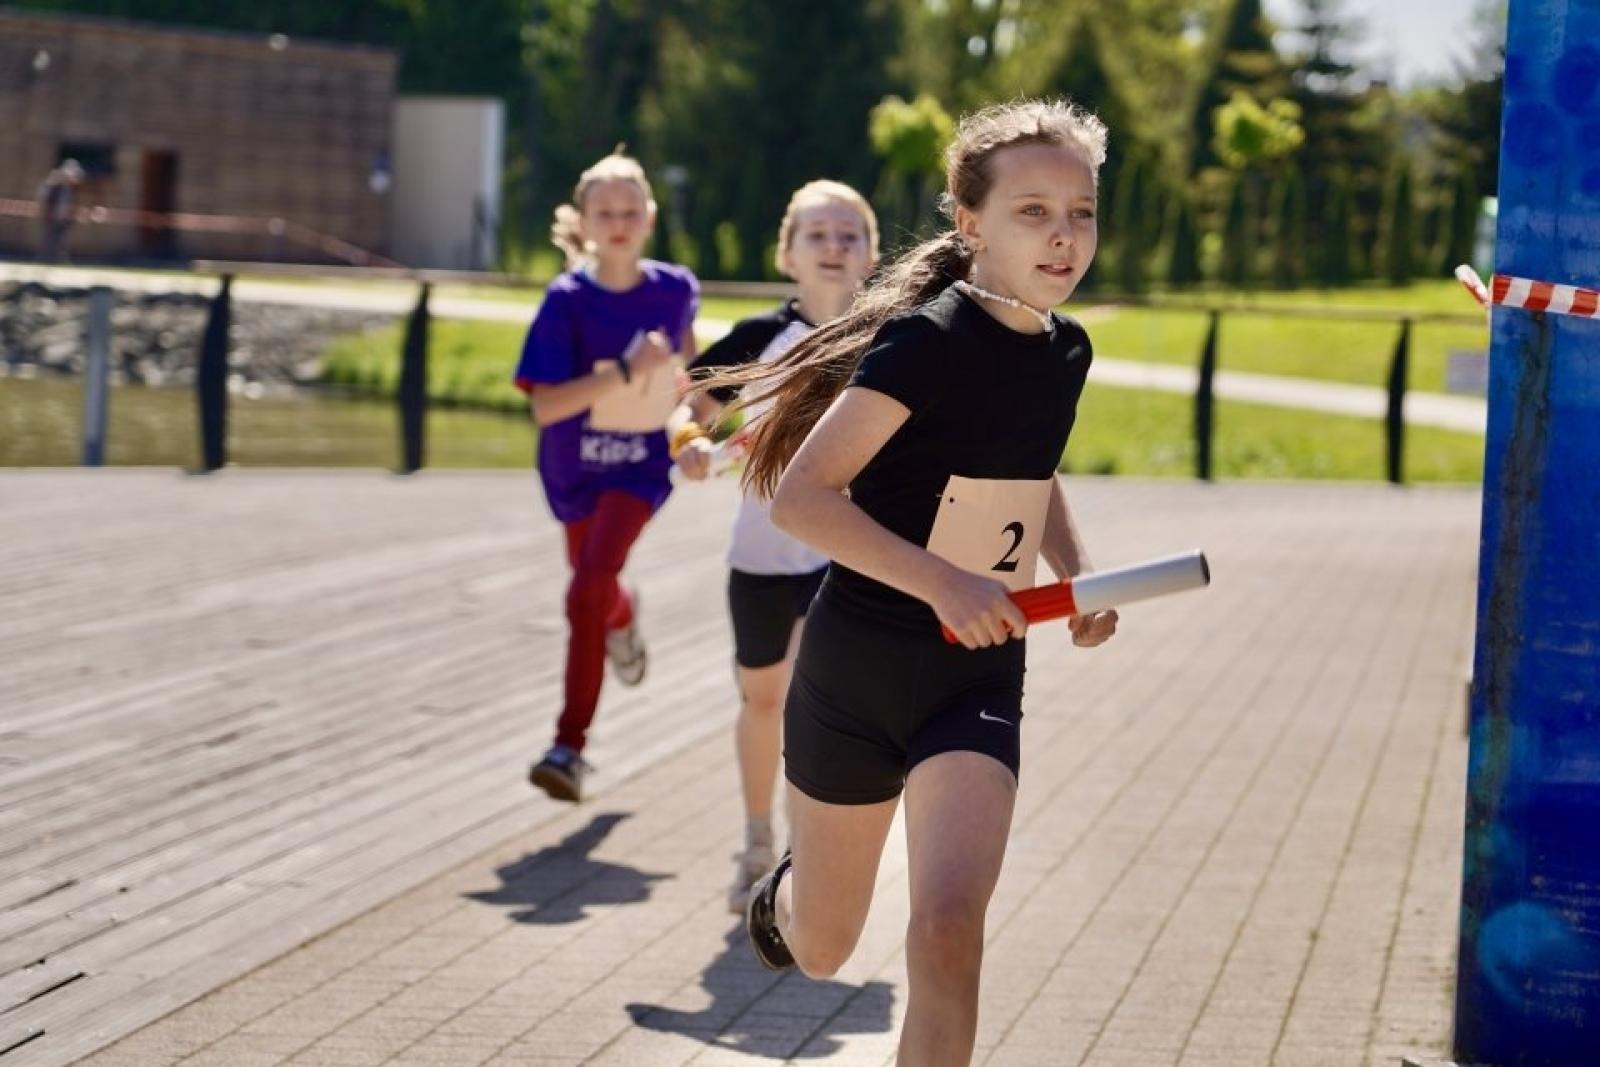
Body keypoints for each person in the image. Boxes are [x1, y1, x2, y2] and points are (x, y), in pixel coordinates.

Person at [704, 100, 1119, 1066]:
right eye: (1033, 211)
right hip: (858, 669)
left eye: (1082, 213)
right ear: (971, 223)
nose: (1063, 235)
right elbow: (803, 498)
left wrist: (1080, 574)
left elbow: (1029, 469)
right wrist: (941, 582)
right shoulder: (925, 342)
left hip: (976, 673)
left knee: (946, 929)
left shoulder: (1065, 348)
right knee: (823, 948)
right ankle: (788, 892)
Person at [678, 180, 879, 912]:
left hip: (846, 557)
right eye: (816, 235)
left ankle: (805, 855)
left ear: (872, 255)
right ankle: (757, 840)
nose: (834, 247)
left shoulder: (892, 338)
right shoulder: (760, 338)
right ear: (787, 255)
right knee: (763, 697)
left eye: (849, 235)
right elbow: (691, 406)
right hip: (761, 558)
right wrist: (692, 442)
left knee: (817, 700)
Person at [514, 147, 699, 803]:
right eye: (605, 212)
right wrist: (625, 369)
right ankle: (623, 614)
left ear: (649, 218)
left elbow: (685, 377)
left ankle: (569, 747)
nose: (619, 223)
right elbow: (545, 407)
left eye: (630, 211)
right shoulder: (566, 301)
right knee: (596, 589)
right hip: (573, 471)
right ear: (584, 222)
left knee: (584, 587)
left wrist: (691, 429)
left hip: (640, 470)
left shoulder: (675, 290)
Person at [37, 159, 83, 264]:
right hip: (52, 216)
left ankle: (59, 259)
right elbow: (44, 196)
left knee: (62, 240)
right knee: (49, 239)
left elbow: (71, 202)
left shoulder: (69, 188)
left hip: (63, 218)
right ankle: (45, 259)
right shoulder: (54, 183)